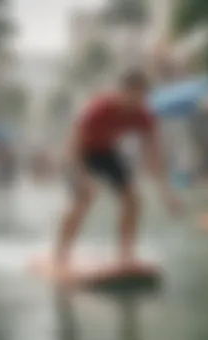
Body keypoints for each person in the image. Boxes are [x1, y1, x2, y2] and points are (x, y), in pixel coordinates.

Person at [53, 69, 181, 271]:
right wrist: (82, 180)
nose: (135, 101)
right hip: (78, 154)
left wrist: (166, 193)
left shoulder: (143, 115)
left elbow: (154, 155)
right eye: (132, 94)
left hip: (106, 152)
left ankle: (126, 253)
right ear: (121, 91)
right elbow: (72, 147)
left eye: (141, 95)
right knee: (82, 199)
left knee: (133, 199)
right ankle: (61, 253)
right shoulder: (99, 108)